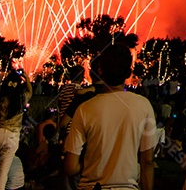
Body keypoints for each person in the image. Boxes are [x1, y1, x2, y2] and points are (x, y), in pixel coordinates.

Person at [64, 44, 156, 190]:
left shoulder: (84, 109)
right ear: (128, 72)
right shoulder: (144, 106)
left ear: (100, 71)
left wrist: (89, 161)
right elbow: (148, 162)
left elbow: (70, 167)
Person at [0, 70, 34, 190]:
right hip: (13, 136)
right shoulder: (21, 98)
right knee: (3, 172)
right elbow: (30, 91)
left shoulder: (1, 96)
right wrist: (26, 79)